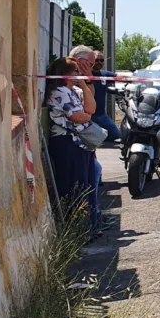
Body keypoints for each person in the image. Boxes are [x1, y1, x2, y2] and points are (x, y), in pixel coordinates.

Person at [44, 57, 96, 229]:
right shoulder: (58, 92)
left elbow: (91, 108)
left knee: (85, 183)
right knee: (73, 184)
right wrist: (86, 117)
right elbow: (77, 116)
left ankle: (87, 224)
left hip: (80, 142)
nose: (78, 74)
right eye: (75, 72)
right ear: (65, 74)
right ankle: (76, 226)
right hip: (67, 142)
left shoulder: (74, 90)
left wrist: (83, 85)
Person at [69, 45, 107, 235]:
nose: (92, 67)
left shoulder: (84, 78)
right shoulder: (66, 79)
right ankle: (88, 222)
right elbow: (83, 114)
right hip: (73, 140)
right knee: (85, 180)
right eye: (90, 64)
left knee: (95, 174)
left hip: (84, 140)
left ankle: (94, 217)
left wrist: (86, 81)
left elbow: (90, 106)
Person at [88, 51, 121, 146]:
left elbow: (119, 77)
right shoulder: (85, 75)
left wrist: (137, 78)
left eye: (101, 60)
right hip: (89, 116)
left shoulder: (104, 74)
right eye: (96, 60)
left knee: (116, 135)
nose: (99, 62)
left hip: (102, 115)